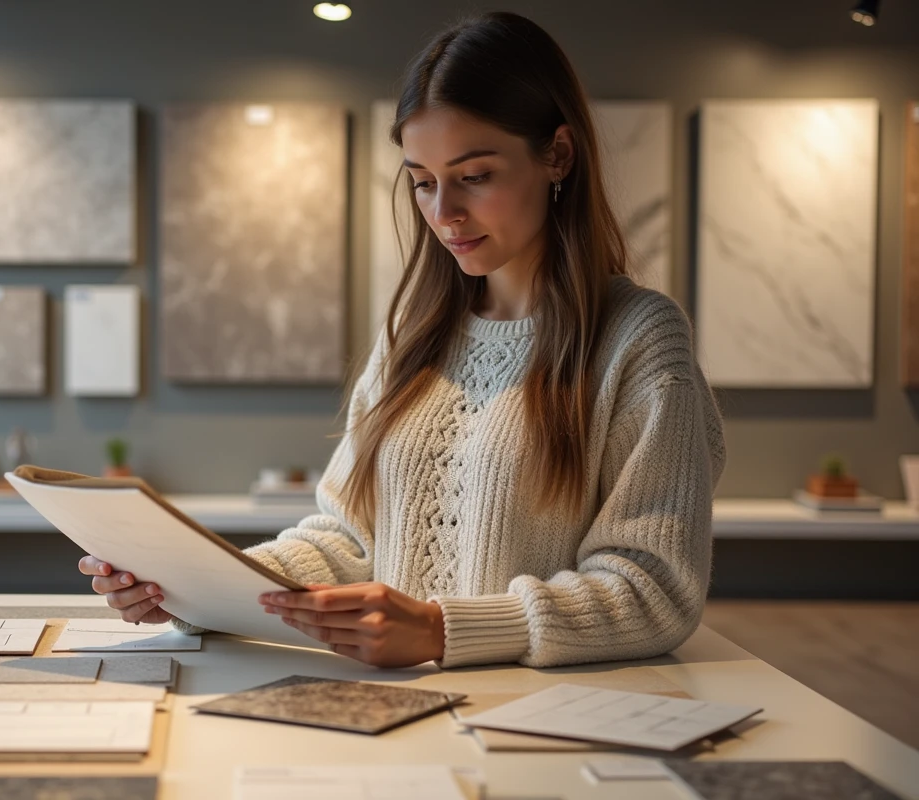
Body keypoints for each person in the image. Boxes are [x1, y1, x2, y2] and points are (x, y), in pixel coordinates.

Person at [79, 11, 726, 670]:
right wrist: (199, 586)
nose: (443, 212)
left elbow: (654, 589)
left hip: (536, 725)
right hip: (388, 708)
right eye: (422, 181)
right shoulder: (413, 338)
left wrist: (445, 630)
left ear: (557, 154)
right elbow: (347, 537)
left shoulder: (639, 340)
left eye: (474, 176)